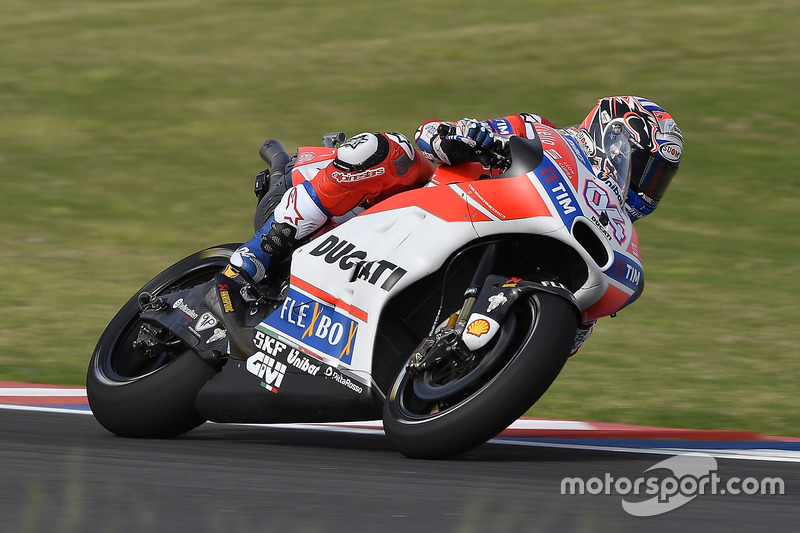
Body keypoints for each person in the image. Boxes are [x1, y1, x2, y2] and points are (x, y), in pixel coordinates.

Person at [225, 96, 683, 352]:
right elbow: (434, 135)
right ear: (615, 139)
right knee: (389, 151)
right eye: (647, 169)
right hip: (413, 204)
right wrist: (469, 137)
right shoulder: (541, 132)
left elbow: (563, 342)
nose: (648, 187)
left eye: (659, 180)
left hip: (454, 247)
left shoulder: (609, 224)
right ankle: (256, 255)